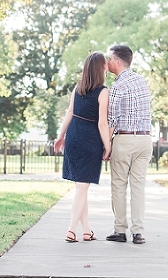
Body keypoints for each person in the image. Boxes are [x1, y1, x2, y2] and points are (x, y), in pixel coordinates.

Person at [54, 51, 112, 243]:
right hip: (90, 140)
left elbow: (70, 112)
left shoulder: (77, 88)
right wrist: (108, 145)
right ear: (100, 68)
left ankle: (87, 230)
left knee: (81, 186)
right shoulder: (103, 92)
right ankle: (71, 230)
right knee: (82, 187)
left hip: (73, 136)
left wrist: (60, 136)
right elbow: (103, 124)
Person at [105, 44, 152, 245]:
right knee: (138, 187)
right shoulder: (142, 81)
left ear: (116, 61)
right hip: (145, 139)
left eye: (109, 58)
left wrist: (106, 146)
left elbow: (111, 119)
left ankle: (120, 230)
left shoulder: (117, 86)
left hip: (124, 140)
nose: (106, 62)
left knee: (118, 186)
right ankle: (138, 232)